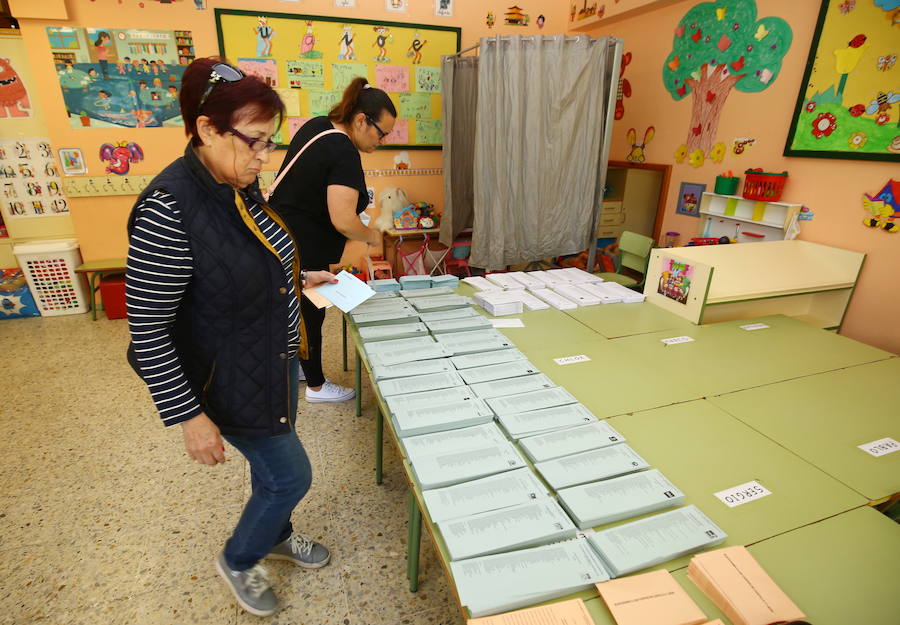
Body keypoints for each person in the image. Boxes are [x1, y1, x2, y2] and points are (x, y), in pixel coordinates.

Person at [125, 57, 334, 617]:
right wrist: (188, 416)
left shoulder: (237, 180)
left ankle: (276, 534)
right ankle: (241, 558)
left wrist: (299, 276)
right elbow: (147, 327)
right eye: (257, 141)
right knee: (290, 474)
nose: (265, 156)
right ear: (207, 129)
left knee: (270, 472)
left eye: (270, 142)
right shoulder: (169, 207)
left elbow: (248, 256)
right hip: (226, 376)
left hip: (269, 361)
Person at [270, 77, 395, 403]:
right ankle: (316, 386)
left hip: (283, 237)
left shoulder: (318, 126)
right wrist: (371, 236)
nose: (382, 141)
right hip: (302, 245)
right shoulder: (342, 151)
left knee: (300, 308)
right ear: (360, 120)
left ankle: (301, 365)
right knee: (312, 311)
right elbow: (342, 219)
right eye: (381, 133)